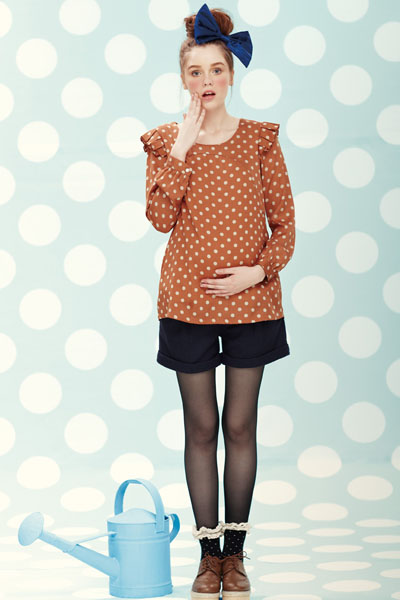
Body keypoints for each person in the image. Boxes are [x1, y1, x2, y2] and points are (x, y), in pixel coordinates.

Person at [140, 4, 296, 598]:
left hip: (252, 304)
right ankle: (208, 557)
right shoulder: (164, 142)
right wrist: (181, 147)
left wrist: (255, 271)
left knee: (240, 424)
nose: (206, 81)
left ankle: (236, 554)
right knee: (201, 426)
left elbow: (285, 226)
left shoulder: (260, 140)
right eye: (195, 71)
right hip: (187, 304)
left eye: (216, 70)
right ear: (183, 78)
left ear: (231, 75)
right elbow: (160, 219)